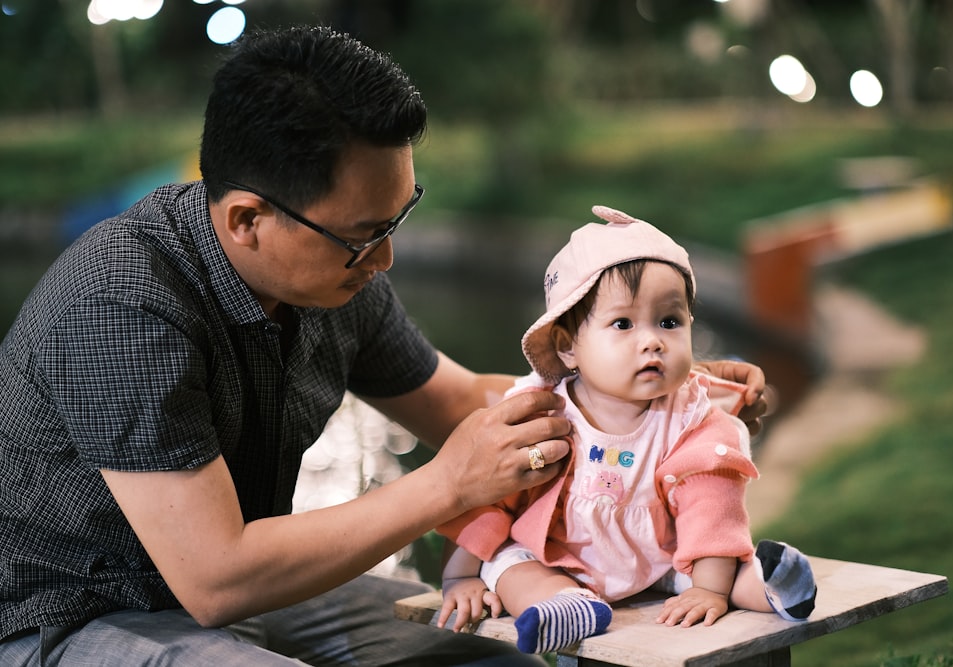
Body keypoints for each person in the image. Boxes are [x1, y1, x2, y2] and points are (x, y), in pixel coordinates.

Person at [0, 27, 769, 667]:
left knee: (485, 657)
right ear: (246, 220)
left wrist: (652, 394)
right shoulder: (121, 302)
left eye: (397, 221)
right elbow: (216, 578)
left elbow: (468, 403)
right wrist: (447, 487)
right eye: (365, 236)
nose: (385, 262)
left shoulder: (336, 277)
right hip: (63, 616)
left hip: (234, 592)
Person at [437, 206, 817, 654]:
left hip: (660, 557)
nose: (653, 340)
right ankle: (564, 606)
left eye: (669, 322)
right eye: (622, 324)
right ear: (568, 347)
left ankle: (775, 587)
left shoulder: (691, 418)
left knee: (721, 566)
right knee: (510, 566)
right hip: (558, 559)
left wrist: (709, 588)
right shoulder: (541, 413)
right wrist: (459, 574)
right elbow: (491, 493)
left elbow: (712, 506)